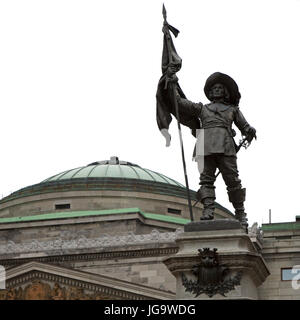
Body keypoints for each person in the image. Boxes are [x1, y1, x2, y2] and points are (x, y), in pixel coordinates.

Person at [158, 70, 256, 229]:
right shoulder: (202, 108)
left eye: (220, 88)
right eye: (214, 88)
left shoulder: (233, 110)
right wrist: (172, 83)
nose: (217, 90)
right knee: (206, 180)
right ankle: (208, 210)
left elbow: (245, 127)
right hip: (205, 145)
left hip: (225, 146)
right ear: (210, 92)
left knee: (233, 181)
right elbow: (180, 103)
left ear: (225, 92)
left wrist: (250, 130)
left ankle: (240, 212)